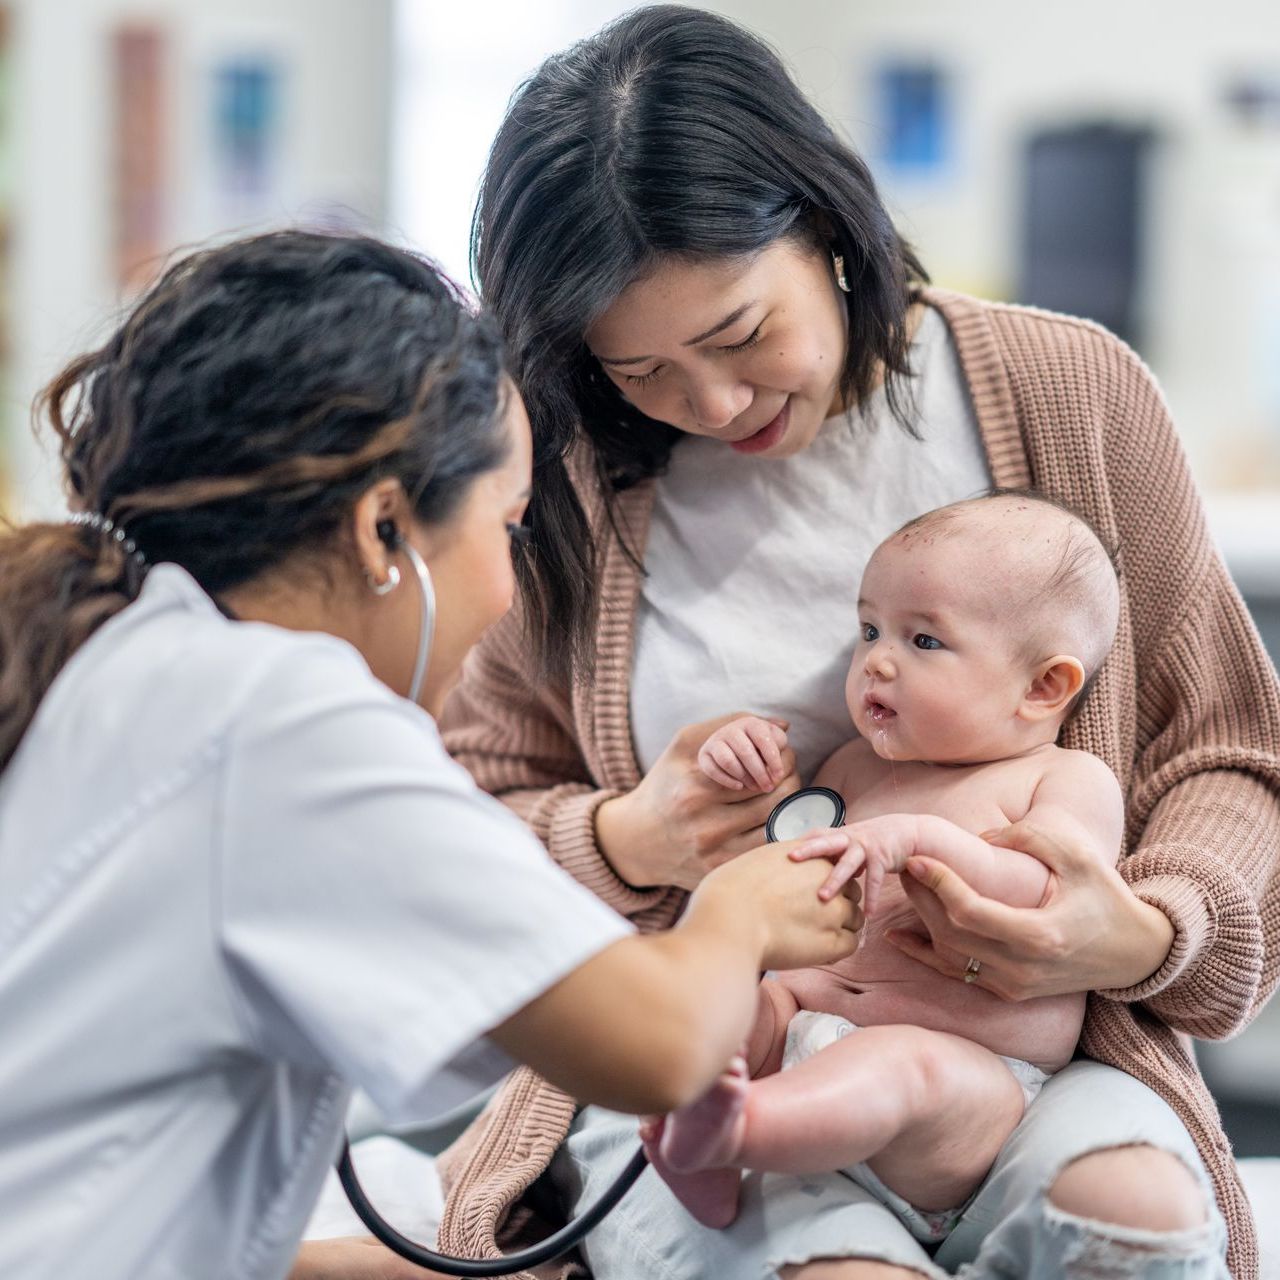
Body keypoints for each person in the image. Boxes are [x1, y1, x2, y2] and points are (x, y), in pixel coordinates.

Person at [433, 7, 1280, 1280]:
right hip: (719, 1054)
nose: (712, 406)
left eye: (736, 335)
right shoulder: (563, 485)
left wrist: (1142, 930)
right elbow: (452, 815)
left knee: (1129, 1229)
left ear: (827, 228)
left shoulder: (1070, 393)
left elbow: (1226, 748)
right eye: (640, 370)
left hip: (1030, 1065)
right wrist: (622, 840)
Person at [0, 230, 868, 1280]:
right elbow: (663, 1042)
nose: (508, 588)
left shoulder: (113, 664)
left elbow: (115, 1147)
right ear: (382, 530)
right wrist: (740, 911)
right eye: (507, 525)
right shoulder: (280, 725)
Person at [643, 492, 1125, 1238]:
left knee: (900, 1069)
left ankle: (735, 1134)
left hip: (961, 1081)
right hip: (794, 1023)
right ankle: (703, 1139)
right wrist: (750, 775)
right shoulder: (850, 765)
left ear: (1042, 688)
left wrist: (918, 839)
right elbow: (789, 861)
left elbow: (1050, 895)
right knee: (721, 998)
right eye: (869, 629)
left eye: (923, 641)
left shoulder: (1064, 780)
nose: (877, 661)